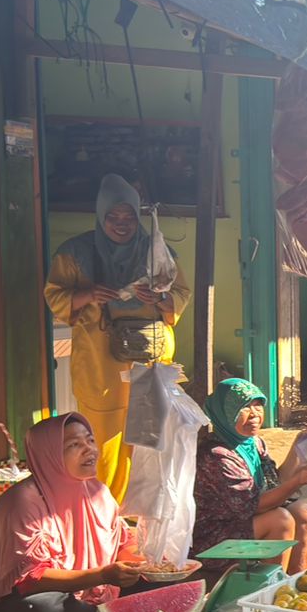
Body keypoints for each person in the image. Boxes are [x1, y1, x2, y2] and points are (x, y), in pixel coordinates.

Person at [44, 176, 191, 500]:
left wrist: (159, 300)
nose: (121, 225)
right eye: (113, 217)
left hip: (149, 360)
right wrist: (88, 294)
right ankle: (104, 511)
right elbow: (55, 298)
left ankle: (142, 518)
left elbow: (180, 293)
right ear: (100, 216)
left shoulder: (158, 251)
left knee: (150, 440)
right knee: (103, 439)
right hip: (99, 365)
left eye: (128, 217)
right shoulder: (74, 253)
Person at [0, 414, 148, 612]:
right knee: (44, 611)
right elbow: (32, 579)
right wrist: (103, 575)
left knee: (163, 583)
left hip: (96, 589)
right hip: (28, 597)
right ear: (48, 456)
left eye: (90, 440)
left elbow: (121, 540)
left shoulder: (97, 492)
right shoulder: (23, 502)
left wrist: (137, 563)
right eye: (74, 445)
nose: (89, 450)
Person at [191, 379, 307, 574]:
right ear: (225, 414)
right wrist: (297, 481)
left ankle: (299, 583)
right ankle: (271, 591)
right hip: (214, 538)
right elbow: (256, 505)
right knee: (280, 520)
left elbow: (275, 482)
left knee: (301, 511)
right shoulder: (216, 455)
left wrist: (297, 449)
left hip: (245, 522)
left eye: (258, 405)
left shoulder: (254, 443)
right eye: (244, 408)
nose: (255, 414)